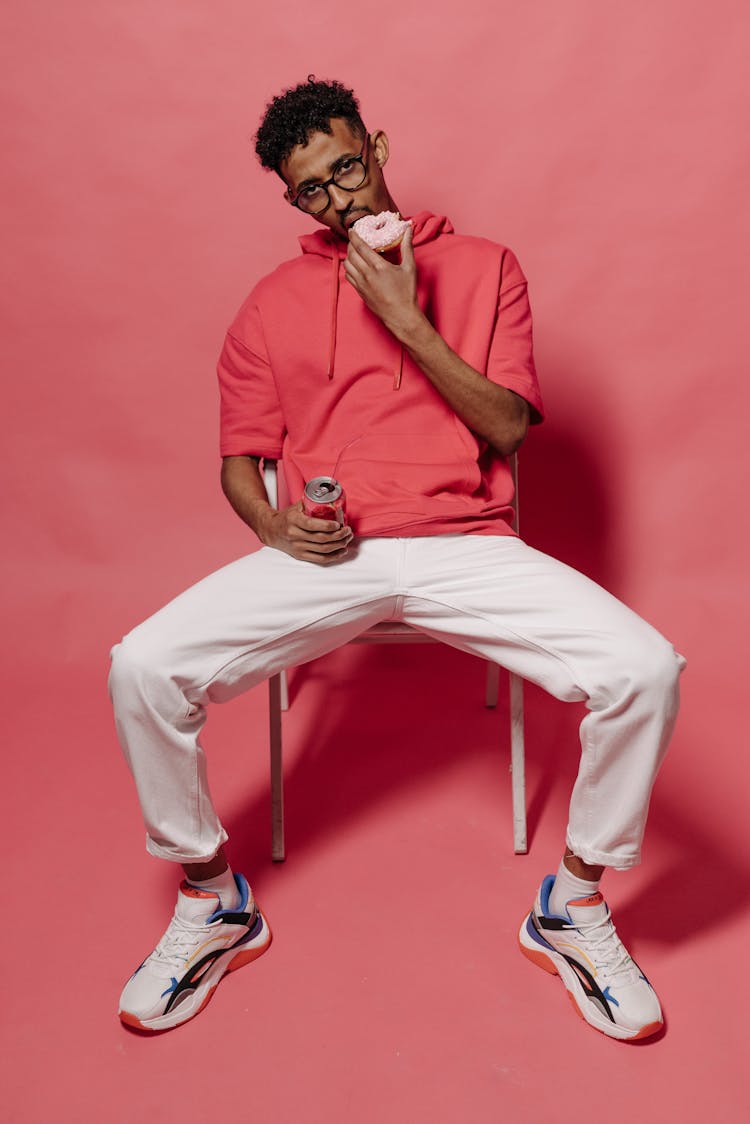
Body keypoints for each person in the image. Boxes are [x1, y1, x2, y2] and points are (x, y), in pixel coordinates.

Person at [109, 77, 685, 1040]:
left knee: (646, 670)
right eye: (314, 191)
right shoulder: (270, 303)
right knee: (141, 665)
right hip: (329, 559)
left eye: (348, 169)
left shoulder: (488, 266)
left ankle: (573, 906)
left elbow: (507, 430)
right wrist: (275, 530)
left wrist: (404, 314)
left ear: (375, 146)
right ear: (294, 201)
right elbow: (239, 464)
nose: (342, 200)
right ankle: (214, 900)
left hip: (467, 546)